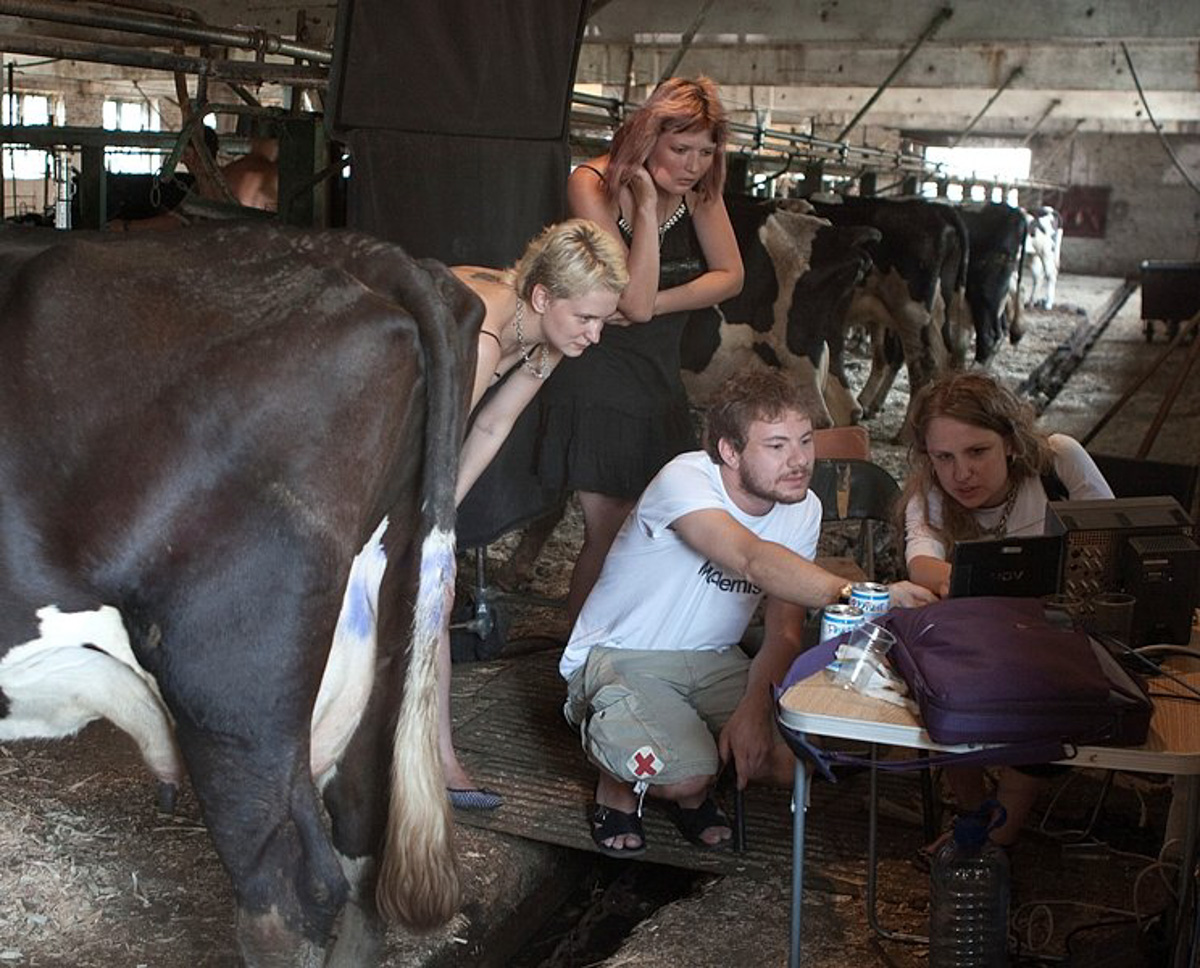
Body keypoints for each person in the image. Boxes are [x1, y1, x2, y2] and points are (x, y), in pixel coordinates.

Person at [561, 370, 936, 855]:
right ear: (730, 452)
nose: (799, 461)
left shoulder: (803, 508)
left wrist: (754, 710)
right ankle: (624, 778)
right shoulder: (685, 478)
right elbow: (750, 559)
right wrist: (860, 594)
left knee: (796, 760)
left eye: (805, 440)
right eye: (776, 446)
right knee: (685, 775)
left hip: (717, 660)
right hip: (624, 655)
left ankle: (691, 763)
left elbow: (784, 632)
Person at [539, 76, 745, 626]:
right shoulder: (590, 183)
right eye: (681, 148)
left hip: (658, 374)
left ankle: (626, 639)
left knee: (653, 522)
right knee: (610, 524)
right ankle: (579, 647)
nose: (694, 165)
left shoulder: (700, 191)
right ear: (647, 136)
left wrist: (657, 303)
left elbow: (731, 275)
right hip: (598, 371)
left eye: (706, 151)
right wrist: (649, 209)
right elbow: (629, 295)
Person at [443, 218, 629, 807]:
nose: (595, 335)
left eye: (603, 320)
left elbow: (494, 424)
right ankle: (430, 760)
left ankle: (437, 759)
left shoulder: (545, 335)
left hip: (415, 433)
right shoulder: (484, 339)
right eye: (587, 318)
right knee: (427, 590)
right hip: (360, 418)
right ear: (544, 296)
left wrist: (442, 518)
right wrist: (429, 528)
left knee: (432, 591)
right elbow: (440, 439)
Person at [899, 370, 1114, 848]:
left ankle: (990, 840)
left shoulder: (1058, 462)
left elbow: (1111, 541)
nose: (961, 474)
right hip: (981, 642)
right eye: (944, 457)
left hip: (1061, 633)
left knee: (1046, 687)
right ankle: (972, 811)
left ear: (1011, 442)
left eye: (977, 452)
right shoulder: (931, 491)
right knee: (940, 680)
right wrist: (976, 583)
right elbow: (922, 564)